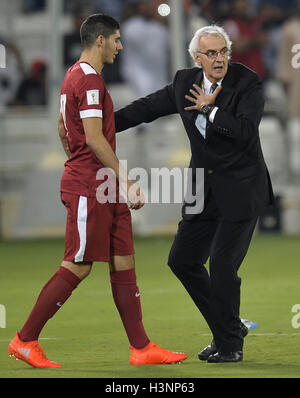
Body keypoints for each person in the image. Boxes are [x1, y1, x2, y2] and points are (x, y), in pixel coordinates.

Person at [8, 13, 187, 368]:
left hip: (98, 182)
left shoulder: (72, 75)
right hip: (93, 184)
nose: (121, 47)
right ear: (101, 41)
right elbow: (91, 137)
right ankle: (25, 339)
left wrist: (79, 162)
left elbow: (63, 128)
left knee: (124, 261)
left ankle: (141, 348)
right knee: (79, 263)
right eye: (117, 40)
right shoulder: (90, 81)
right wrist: (124, 178)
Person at [114, 25, 274, 363]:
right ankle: (228, 327)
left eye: (223, 52)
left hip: (242, 189)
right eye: (211, 53)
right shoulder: (184, 82)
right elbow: (147, 107)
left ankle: (230, 345)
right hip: (203, 189)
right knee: (183, 261)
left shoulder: (248, 83)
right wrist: (102, 126)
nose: (219, 59)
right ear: (196, 57)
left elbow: (245, 132)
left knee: (222, 266)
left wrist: (210, 110)